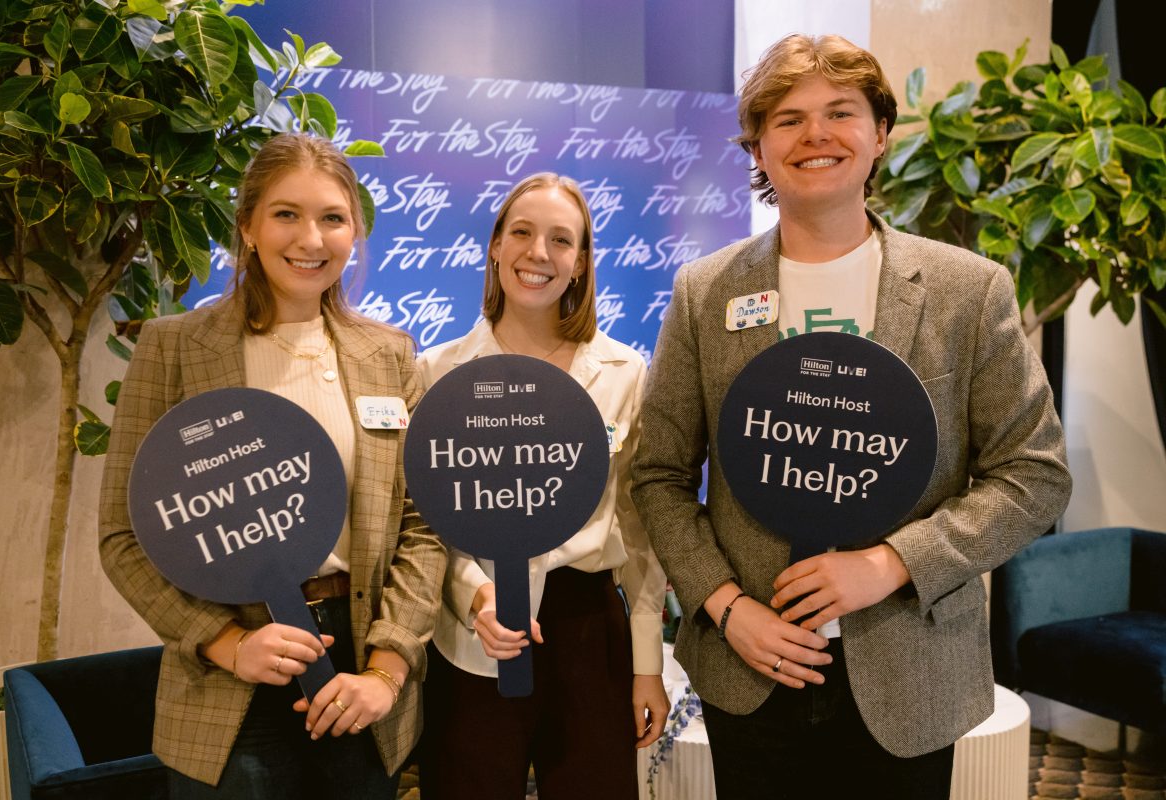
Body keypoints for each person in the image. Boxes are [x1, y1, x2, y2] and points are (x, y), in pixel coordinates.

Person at [630, 34, 1072, 800]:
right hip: (751, 670)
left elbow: (1034, 476)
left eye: (840, 112)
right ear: (759, 149)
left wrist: (890, 564)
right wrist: (726, 607)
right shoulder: (704, 293)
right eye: (789, 119)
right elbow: (659, 474)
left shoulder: (969, 290)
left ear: (880, 137)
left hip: (909, 672)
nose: (816, 136)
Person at [98, 132, 447, 798]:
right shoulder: (173, 348)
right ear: (249, 226)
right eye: (286, 214)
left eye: (332, 219)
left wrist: (387, 669)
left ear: (354, 235)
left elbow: (421, 526)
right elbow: (123, 536)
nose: (310, 238)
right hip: (228, 689)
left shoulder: (391, 355)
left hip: (358, 681)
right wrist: (224, 642)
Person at [416, 172, 669, 800]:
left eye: (562, 240)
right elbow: (423, 521)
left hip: (587, 631)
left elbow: (641, 532)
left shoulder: (625, 373)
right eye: (522, 233)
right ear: (495, 245)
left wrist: (647, 667)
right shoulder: (436, 371)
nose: (539, 254)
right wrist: (475, 596)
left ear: (581, 263)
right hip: (474, 635)